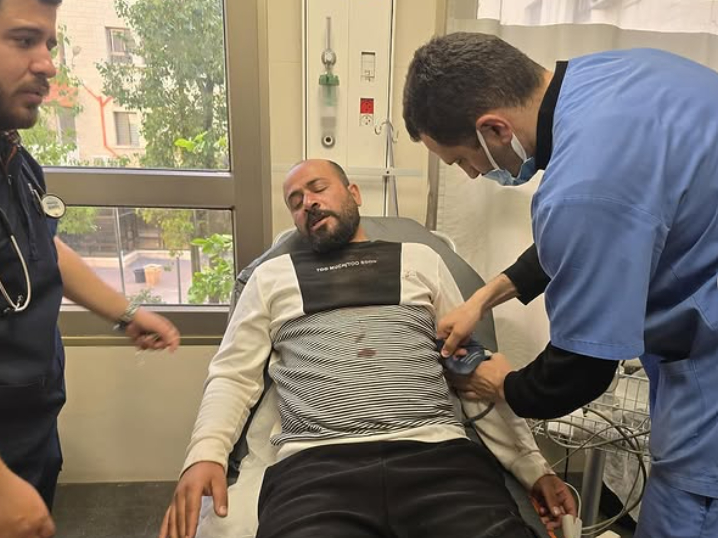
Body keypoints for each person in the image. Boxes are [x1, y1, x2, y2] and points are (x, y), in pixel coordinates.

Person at [403, 31, 718, 538]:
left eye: (462, 160)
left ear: (494, 129)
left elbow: (578, 371)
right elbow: (595, 235)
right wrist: (482, 298)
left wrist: (502, 384)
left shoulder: (583, 187)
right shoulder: (620, 74)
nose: (471, 174)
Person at [160, 159, 576, 538]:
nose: (308, 203)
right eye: (295, 201)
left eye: (318, 188)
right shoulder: (271, 277)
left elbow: (470, 367)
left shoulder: (421, 260)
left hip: (438, 458)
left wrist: (533, 469)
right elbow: (233, 375)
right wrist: (205, 454)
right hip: (315, 469)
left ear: (354, 193)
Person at [0, 0, 180, 536]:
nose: (48, 64)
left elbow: (41, 248)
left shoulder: (15, 160)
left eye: (49, 44)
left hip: (29, 426)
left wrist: (126, 313)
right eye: (23, 40)